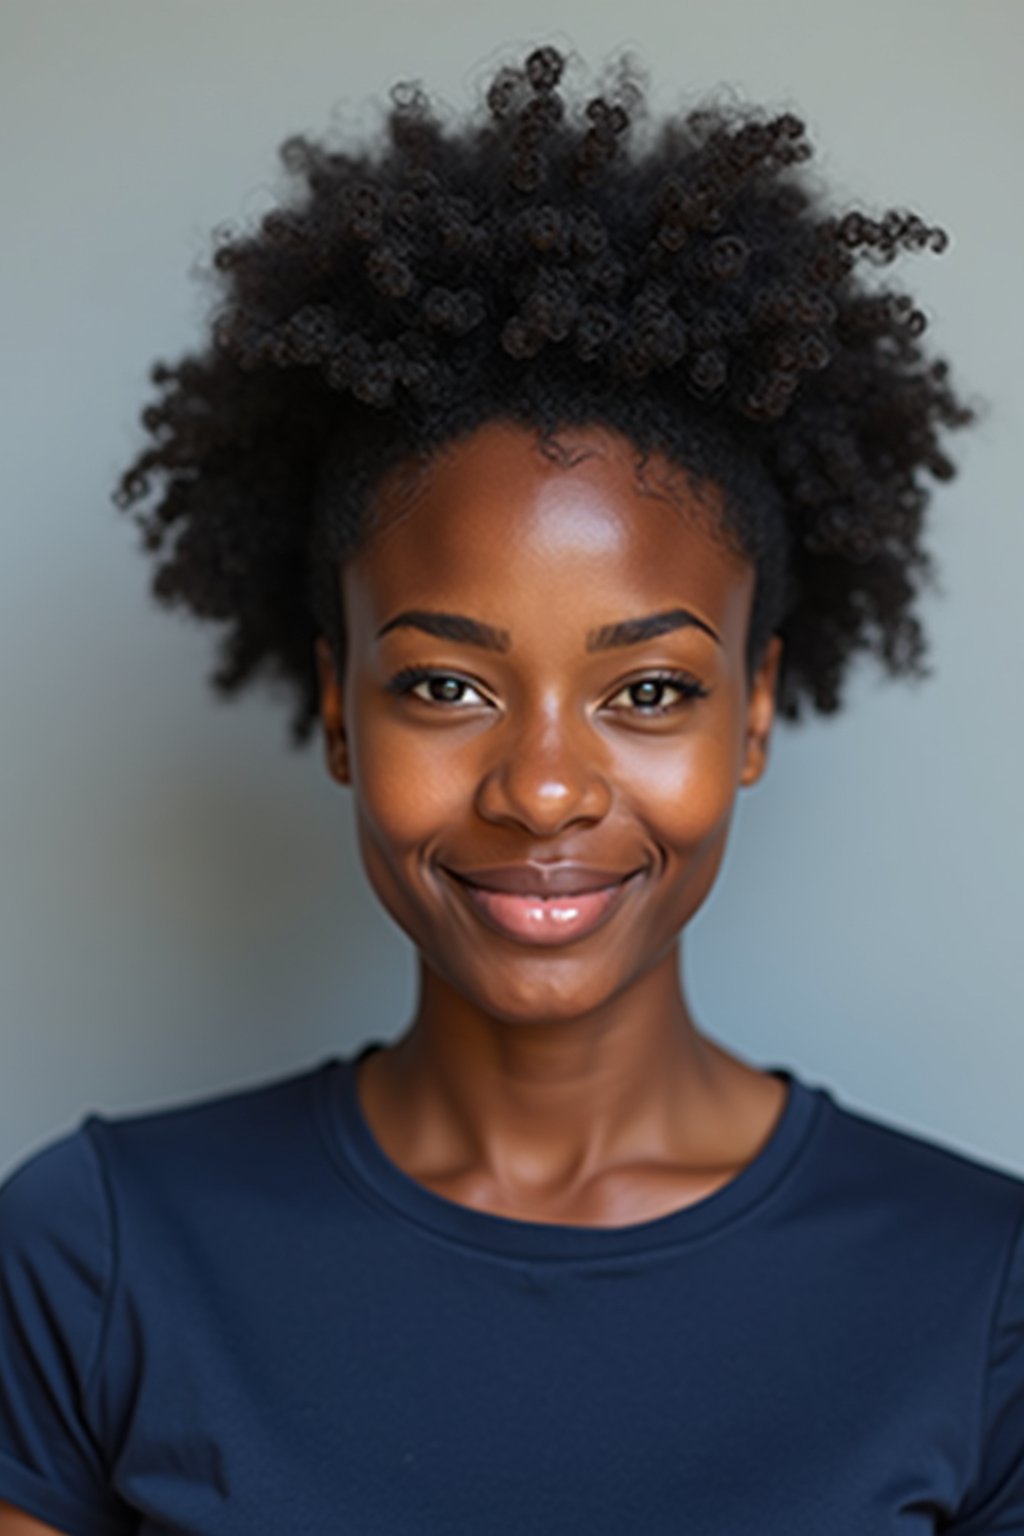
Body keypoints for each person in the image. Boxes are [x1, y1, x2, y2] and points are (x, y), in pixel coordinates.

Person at [1, 41, 1020, 1536]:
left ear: (754, 714)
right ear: (338, 708)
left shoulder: (982, 1293)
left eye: (651, 690)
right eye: (447, 685)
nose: (544, 789)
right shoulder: (92, 1257)